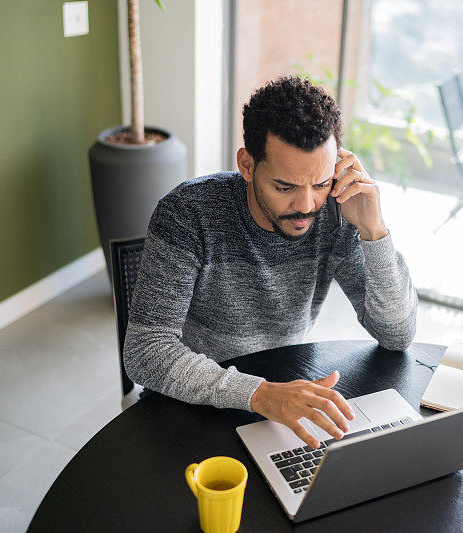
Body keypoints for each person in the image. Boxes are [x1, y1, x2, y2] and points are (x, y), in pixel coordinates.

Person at [124, 76, 417, 449]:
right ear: (247, 165)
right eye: (285, 187)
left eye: (321, 183)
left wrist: (374, 232)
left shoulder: (338, 212)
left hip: (281, 396)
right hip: (187, 403)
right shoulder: (188, 214)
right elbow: (145, 351)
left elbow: (397, 335)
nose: (307, 205)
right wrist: (260, 395)